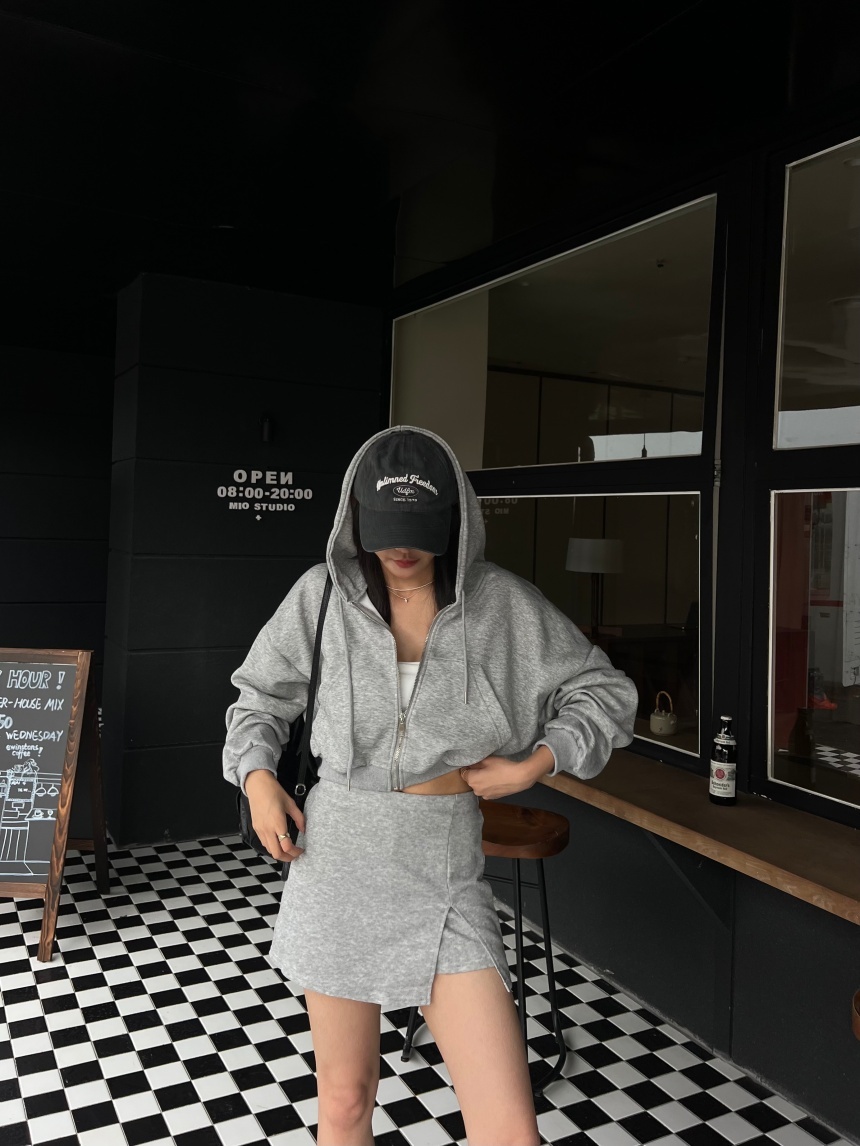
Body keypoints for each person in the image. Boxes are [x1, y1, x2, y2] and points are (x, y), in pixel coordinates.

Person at [223, 426, 637, 1146]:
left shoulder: (502, 605)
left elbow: (605, 692)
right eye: (388, 533)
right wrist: (258, 778)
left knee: (509, 1130)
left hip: (443, 868)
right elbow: (259, 699)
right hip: (339, 860)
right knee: (345, 1101)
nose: (403, 551)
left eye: (420, 532)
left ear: (455, 521)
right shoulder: (320, 596)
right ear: (357, 520)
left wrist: (537, 762)